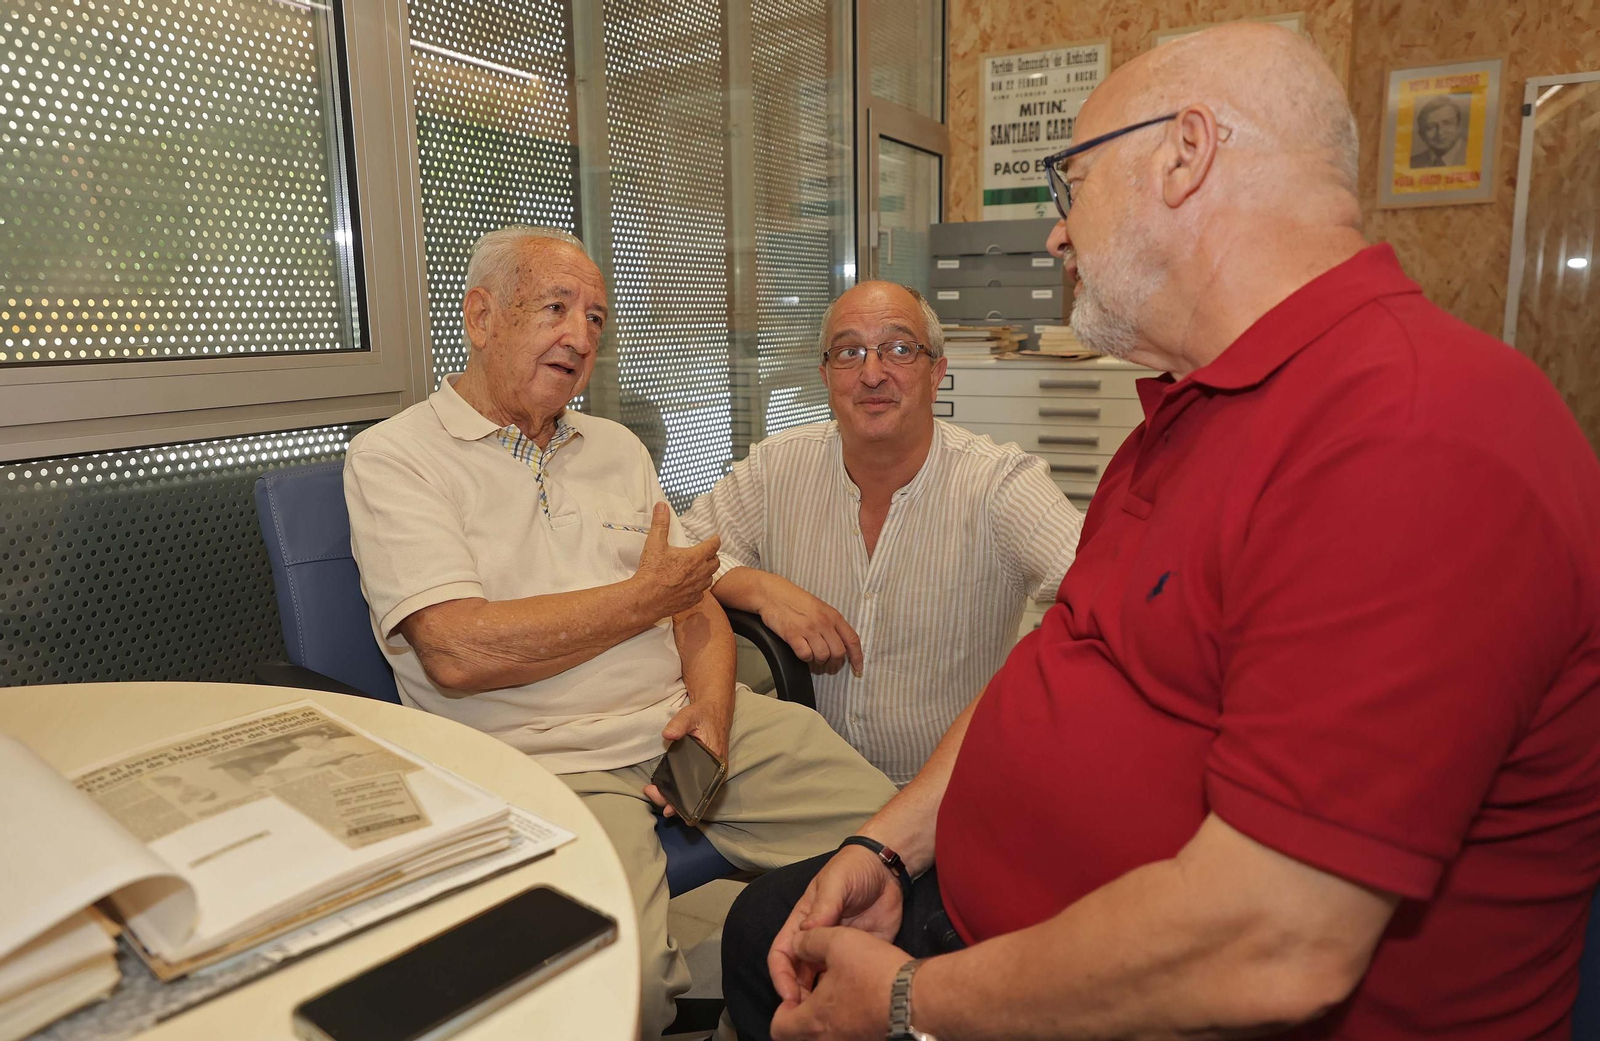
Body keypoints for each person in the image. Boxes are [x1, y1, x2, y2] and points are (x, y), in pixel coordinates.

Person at [722, 23, 1600, 1041]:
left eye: (1072, 184)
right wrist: (885, 848)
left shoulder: (1414, 431)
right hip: (989, 920)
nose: (1055, 234)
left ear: (1185, 154)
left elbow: (1272, 946)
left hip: (1155, 1005)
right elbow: (1060, 655)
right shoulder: (1194, 410)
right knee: (764, 933)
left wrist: (911, 1005)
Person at [343, 225, 897, 1040]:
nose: (580, 335)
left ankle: (763, 982)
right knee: (625, 990)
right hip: (548, 759)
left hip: (691, 725)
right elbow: (457, 650)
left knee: (899, 849)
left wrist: (710, 711)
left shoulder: (614, 446)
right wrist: (642, 602)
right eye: (556, 307)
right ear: (480, 315)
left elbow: (694, 603)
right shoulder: (396, 458)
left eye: (597, 318)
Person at [680, 281, 1082, 785]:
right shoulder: (775, 468)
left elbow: (1102, 592)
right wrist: (759, 587)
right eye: (850, 353)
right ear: (826, 377)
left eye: (899, 349)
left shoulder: (998, 483)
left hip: (944, 795)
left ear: (936, 373)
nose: (873, 374)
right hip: (803, 783)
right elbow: (678, 556)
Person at [1408, 93, 1469, 168]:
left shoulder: (1478, 155)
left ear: (1459, 126)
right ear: (1422, 134)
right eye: (1431, 127)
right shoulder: (1412, 163)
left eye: (1447, 123)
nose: (1440, 132)